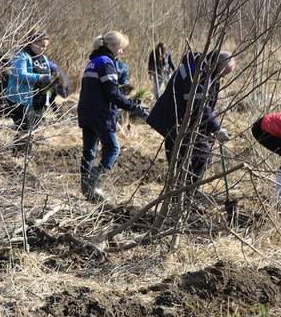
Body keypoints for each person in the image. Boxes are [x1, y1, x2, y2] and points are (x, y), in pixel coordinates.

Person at [146, 50, 235, 189]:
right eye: (225, 72)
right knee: (191, 158)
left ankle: (187, 196)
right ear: (219, 63)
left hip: (183, 121)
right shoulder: (196, 72)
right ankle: (181, 198)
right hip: (173, 120)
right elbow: (198, 104)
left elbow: (205, 106)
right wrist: (216, 128)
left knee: (198, 156)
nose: (224, 76)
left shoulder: (208, 73)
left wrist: (208, 130)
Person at [77, 32, 149, 201]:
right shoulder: (107, 63)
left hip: (86, 112)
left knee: (89, 151)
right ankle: (95, 186)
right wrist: (133, 107)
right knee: (113, 149)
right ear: (110, 46)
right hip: (101, 114)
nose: (121, 52)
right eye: (120, 48)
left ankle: (86, 189)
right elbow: (112, 94)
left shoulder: (93, 62)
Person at [1, 33, 53, 149]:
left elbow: (48, 74)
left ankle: (20, 156)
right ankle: (21, 158)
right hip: (22, 100)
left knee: (30, 132)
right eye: (42, 46)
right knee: (25, 131)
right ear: (33, 43)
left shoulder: (43, 58)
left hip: (39, 101)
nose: (43, 49)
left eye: (45, 47)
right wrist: (40, 78)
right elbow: (20, 75)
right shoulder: (21, 55)